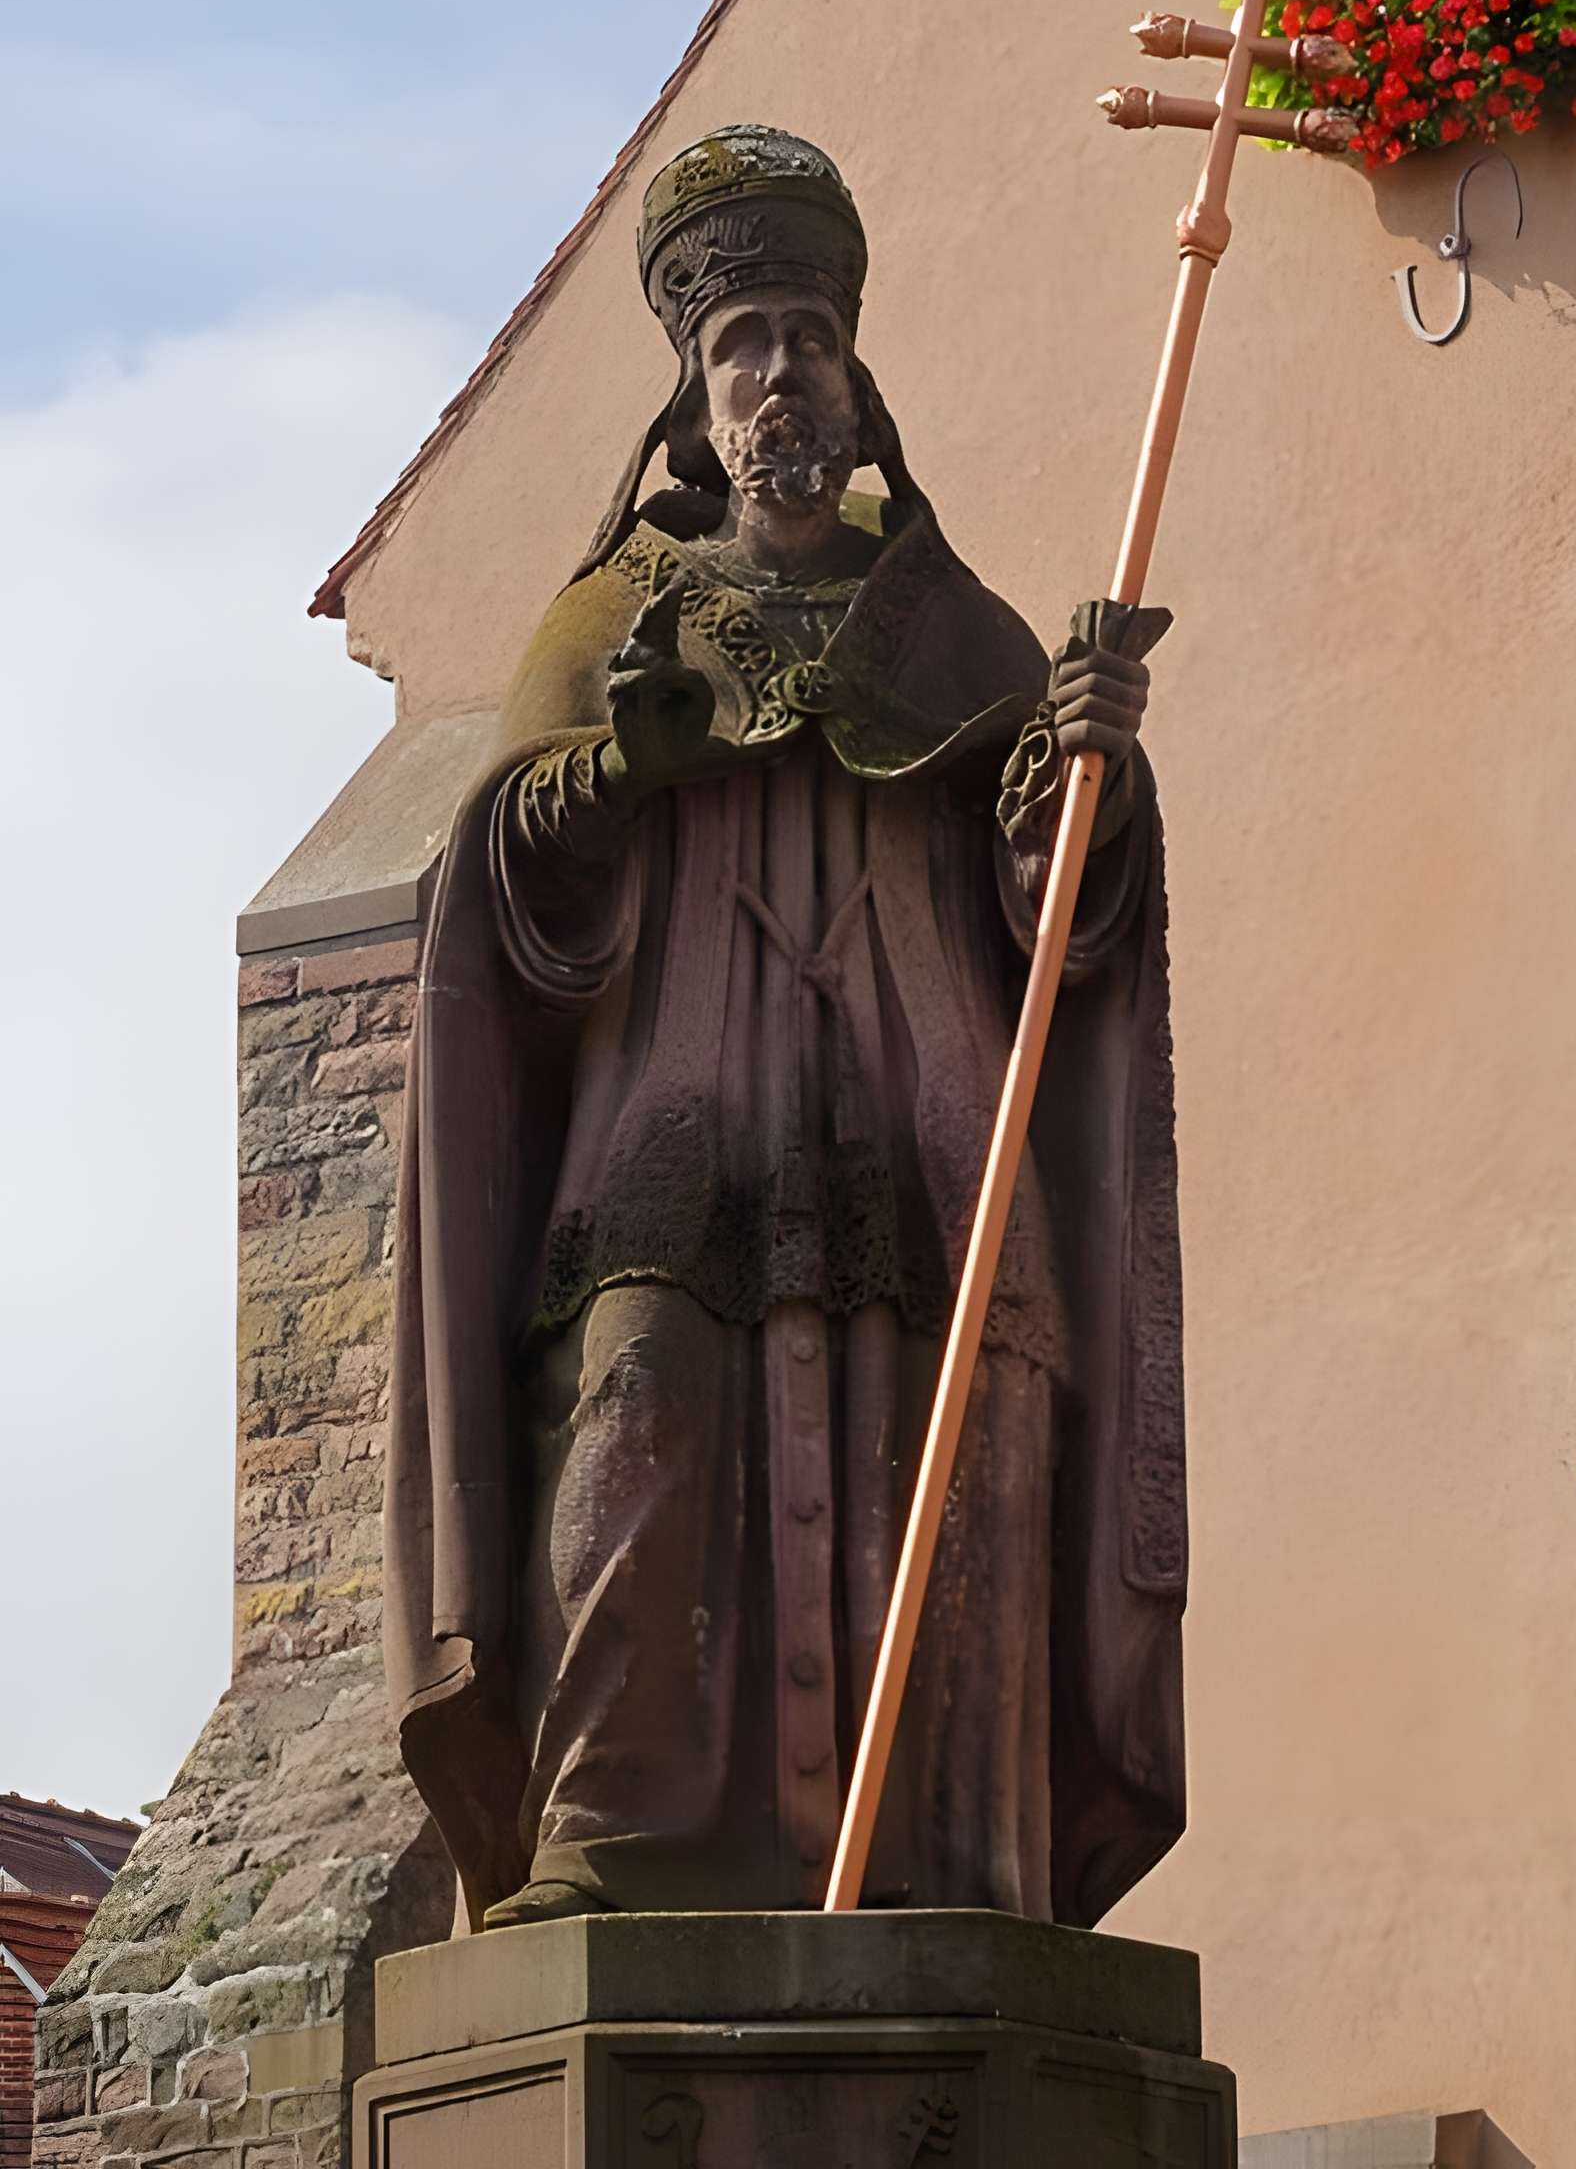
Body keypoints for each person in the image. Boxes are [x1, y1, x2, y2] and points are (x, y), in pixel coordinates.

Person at [384, 125, 1188, 1933]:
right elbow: (504, 893)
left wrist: (1084, 773)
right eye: (742, 344)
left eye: (808, 340)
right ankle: (612, 1848)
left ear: (855, 377)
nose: (779, 375)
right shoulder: (611, 615)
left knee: (957, 1426)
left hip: (921, 1097)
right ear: (694, 399)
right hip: (680, 1092)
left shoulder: (958, 627)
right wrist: (616, 771)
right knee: (637, 1393)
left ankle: (952, 1864)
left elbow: (1051, 918)